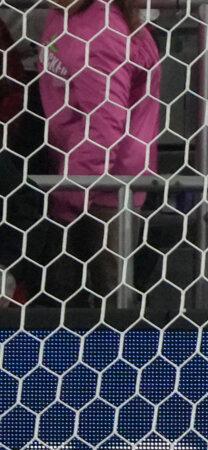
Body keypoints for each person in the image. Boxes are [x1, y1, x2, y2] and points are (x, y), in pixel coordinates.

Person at [37, 0, 161, 306]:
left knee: (110, 316)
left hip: (105, 193)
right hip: (76, 181)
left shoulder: (101, 31)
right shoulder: (63, 14)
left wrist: (68, 198)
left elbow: (104, 129)